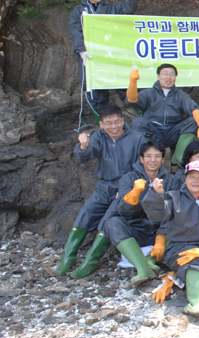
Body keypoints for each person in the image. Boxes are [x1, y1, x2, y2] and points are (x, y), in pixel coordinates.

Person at [55, 106, 146, 276]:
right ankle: (68, 258)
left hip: (125, 187)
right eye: (109, 123)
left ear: (123, 121)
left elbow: (141, 167)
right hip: (104, 186)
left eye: (117, 122)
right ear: (101, 124)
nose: (114, 127)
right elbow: (84, 157)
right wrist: (83, 146)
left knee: (107, 220)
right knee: (86, 213)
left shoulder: (136, 138)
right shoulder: (98, 137)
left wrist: (127, 188)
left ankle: (90, 262)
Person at [142, 161, 199, 317]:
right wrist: (155, 195)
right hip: (181, 247)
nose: (196, 181)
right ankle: (195, 302)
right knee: (193, 261)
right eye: (191, 177)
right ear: (185, 179)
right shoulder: (174, 197)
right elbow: (158, 214)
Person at [99, 141, 181, 285]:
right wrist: (135, 193)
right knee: (111, 222)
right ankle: (143, 268)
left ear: (163, 159)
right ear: (141, 159)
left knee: (181, 221)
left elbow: (172, 211)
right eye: (148, 156)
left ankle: (151, 260)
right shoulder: (129, 178)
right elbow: (123, 210)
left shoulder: (170, 180)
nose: (153, 160)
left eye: (157, 156)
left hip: (159, 231)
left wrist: (161, 238)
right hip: (136, 229)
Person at [69, 0, 138, 118]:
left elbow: (128, 9)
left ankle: (143, 124)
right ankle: (102, 126)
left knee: (126, 89)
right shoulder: (79, 11)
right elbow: (76, 32)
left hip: (113, 57)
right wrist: (81, 50)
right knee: (96, 94)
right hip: (91, 58)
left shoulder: (111, 7)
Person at [126, 64, 199, 165]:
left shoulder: (181, 96)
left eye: (172, 74)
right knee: (138, 122)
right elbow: (132, 100)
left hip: (173, 133)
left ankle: (179, 158)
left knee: (194, 121)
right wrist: (133, 82)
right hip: (154, 133)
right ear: (158, 76)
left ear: (175, 77)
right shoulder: (148, 93)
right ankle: (144, 156)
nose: (168, 77)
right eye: (165, 74)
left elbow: (195, 110)